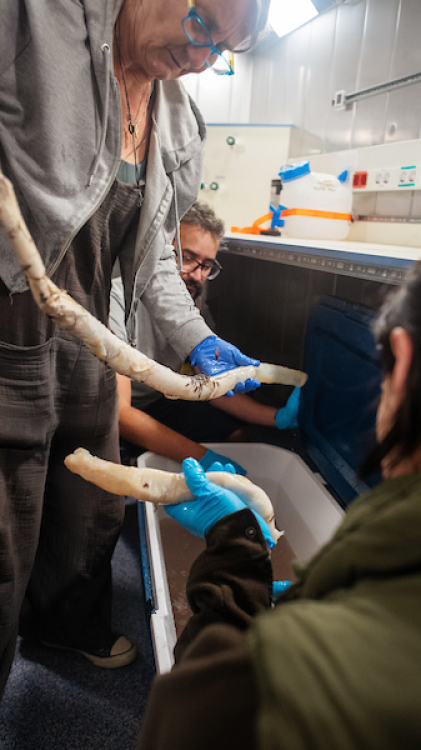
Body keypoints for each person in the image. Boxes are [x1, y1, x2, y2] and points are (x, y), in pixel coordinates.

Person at [0, 0, 270, 697]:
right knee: (9, 509)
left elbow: (151, 263)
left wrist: (200, 340)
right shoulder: (36, 22)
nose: (201, 60)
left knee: (90, 502)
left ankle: (65, 622)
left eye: (222, 51)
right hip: (10, 313)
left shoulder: (181, 120)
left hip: (92, 326)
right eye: (202, 27)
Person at [138, 261, 421, 750]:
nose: (196, 274)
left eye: (208, 264)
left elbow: (188, 714)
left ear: (403, 361)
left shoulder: (292, 682)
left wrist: (232, 554)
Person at [110, 201, 300, 473]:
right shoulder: (117, 298)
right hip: (117, 412)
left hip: (160, 402)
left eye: (207, 265)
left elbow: (214, 389)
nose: (197, 275)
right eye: (186, 258)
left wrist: (278, 418)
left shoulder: (193, 307)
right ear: (160, 253)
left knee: (238, 436)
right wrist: (206, 459)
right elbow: (119, 414)